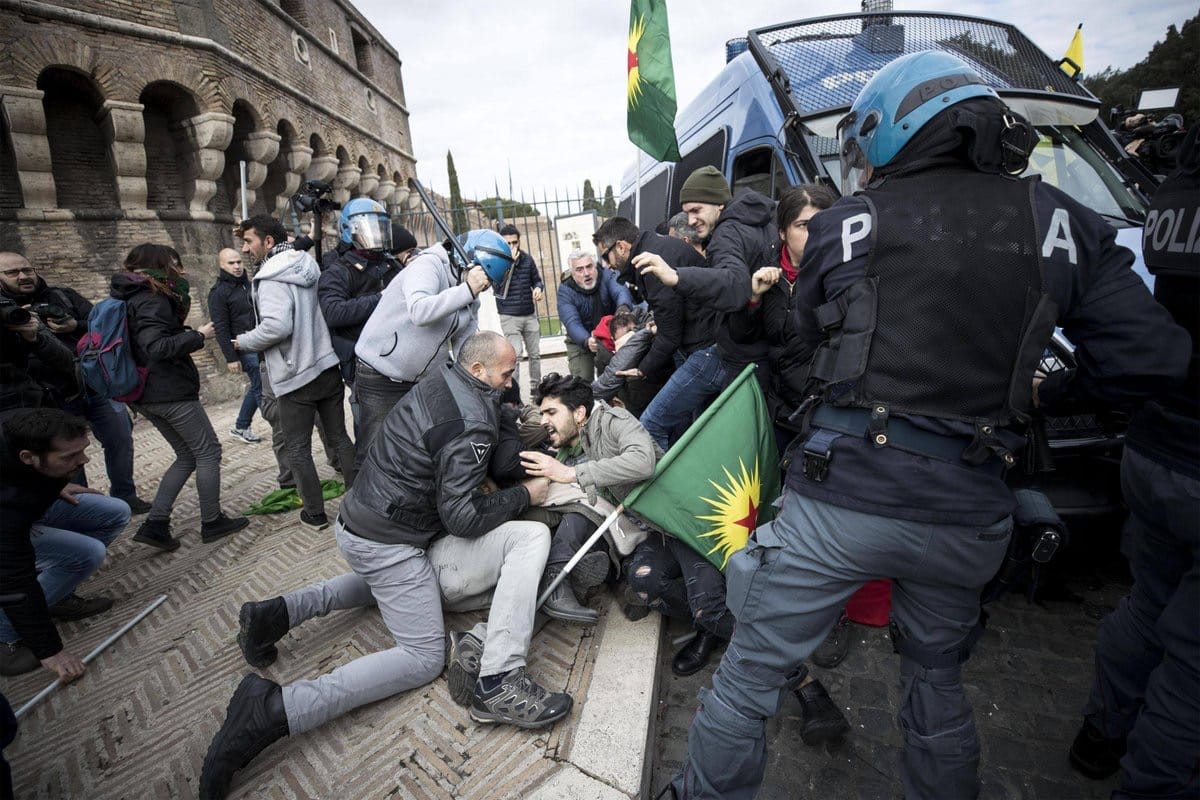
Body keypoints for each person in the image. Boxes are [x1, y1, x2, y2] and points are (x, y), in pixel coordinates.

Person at [668, 50, 1191, 800]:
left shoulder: (850, 223)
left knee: (750, 673)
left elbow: (817, 336)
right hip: (969, 508)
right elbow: (1154, 357)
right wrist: (1051, 390)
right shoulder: (1061, 224)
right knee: (936, 682)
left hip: (842, 497)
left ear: (897, 129)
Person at [199, 332, 571, 799]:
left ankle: (277, 613)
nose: (511, 381)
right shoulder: (472, 421)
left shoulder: (445, 377)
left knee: (395, 587)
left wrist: (506, 418)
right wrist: (524, 495)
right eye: (506, 373)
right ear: (479, 371)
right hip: (391, 543)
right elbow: (461, 516)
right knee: (422, 657)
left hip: (360, 523)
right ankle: (275, 709)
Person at [1066, 125, 1200, 798]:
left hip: (1155, 442)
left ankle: (1101, 735)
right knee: (1193, 663)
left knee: (1148, 604)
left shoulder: (1177, 191)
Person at [116, 244, 248, 551]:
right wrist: (198, 335)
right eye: (175, 264)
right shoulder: (153, 299)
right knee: (208, 451)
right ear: (160, 266)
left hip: (144, 392)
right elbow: (157, 346)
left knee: (186, 455)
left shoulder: (128, 296)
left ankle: (156, 523)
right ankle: (212, 521)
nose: (182, 270)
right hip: (168, 390)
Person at [635, 166, 776, 449]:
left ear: (719, 202)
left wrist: (676, 277)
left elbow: (734, 283)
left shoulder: (726, 234)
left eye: (697, 209)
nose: (691, 220)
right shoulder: (761, 221)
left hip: (738, 355)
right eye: (687, 212)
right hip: (764, 350)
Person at [0, 252, 149, 512]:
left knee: (120, 438)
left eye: (27, 269)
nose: (23, 276)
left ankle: (125, 495)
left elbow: (102, 324)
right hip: (51, 397)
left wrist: (74, 325)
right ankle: (82, 505)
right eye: (12, 273)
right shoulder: (6, 315)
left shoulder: (62, 295)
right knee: (67, 454)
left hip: (93, 385)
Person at [352, 229, 513, 467]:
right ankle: (360, 501)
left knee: (414, 444)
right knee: (374, 449)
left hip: (419, 379)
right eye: (486, 280)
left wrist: (485, 379)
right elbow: (419, 311)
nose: (486, 288)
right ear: (471, 265)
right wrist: (467, 290)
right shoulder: (429, 265)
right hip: (380, 375)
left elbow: (465, 346)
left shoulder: (469, 294)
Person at [237, 215, 357, 531]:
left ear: (269, 242)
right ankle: (361, 502)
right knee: (339, 437)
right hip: (326, 365)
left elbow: (277, 327)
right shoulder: (306, 265)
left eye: (249, 241)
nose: (245, 249)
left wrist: (244, 341)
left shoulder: (271, 278)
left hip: (296, 376)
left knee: (298, 448)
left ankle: (315, 514)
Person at [520, 373, 658, 623]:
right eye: (542, 414)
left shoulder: (615, 421)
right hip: (610, 530)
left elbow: (642, 461)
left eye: (551, 413)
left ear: (579, 413)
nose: (544, 421)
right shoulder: (564, 445)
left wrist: (570, 473)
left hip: (647, 527)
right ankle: (581, 583)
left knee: (582, 512)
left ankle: (593, 581)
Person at [0, 408, 129, 677]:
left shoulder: (21, 426)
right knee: (87, 554)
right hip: (10, 522)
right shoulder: (8, 504)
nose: (84, 460)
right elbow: (14, 579)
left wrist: (55, 484)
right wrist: (49, 650)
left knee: (115, 511)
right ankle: (6, 634)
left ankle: (55, 593)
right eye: (70, 456)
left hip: (31, 496)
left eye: (82, 449)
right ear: (28, 458)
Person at [592, 217, 716, 428]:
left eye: (606, 256)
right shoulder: (654, 248)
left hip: (705, 351)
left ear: (621, 247)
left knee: (653, 423)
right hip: (701, 344)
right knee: (696, 423)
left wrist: (642, 369)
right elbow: (674, 310)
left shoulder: (651, 262)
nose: (606, 265)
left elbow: (670, 335)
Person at [317, 199, 402, 388]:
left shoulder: (391, 264)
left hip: (396, 354)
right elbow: (333, 312)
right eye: (370, 228)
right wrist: (381, 298)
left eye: (380, 228)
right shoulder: (338, 271)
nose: (376, 234)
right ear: (349, 230)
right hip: (360, 361)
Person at [208, 247, 262, 445]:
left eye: (239, 261)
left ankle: (241, 425)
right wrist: (230, 357)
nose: (237, 266)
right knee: (261, 386)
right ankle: (278, 425)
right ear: (222, 265)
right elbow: (221, 327)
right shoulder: (218, 293)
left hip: (260, 342)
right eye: (231, 263)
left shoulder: (249, 285)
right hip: (244, 347)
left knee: (258, 384)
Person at [556, 249, 633, 381]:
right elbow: (571, 322)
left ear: (595, 266)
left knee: (616, 378)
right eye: (579, 269)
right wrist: (586, 340)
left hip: (610, 335)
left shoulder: (607, 275)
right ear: (572, 273)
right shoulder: (565, 290)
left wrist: (623, 309)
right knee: (582, 381)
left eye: (589, 267)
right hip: (580, 340)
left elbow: (620, 291)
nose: (586, 273)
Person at [496, 224, 545, 388]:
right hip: (509, 315)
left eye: (514, 242)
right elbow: (499, 289)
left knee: (535, 354)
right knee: (515, 354)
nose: (512, 246)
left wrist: (538, 288)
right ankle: (513, 393)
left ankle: (536, 389)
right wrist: (509, 264)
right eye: (507, 243)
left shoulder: (527, 259)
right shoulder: (497, 262)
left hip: (529, 314)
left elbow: (537, 279)